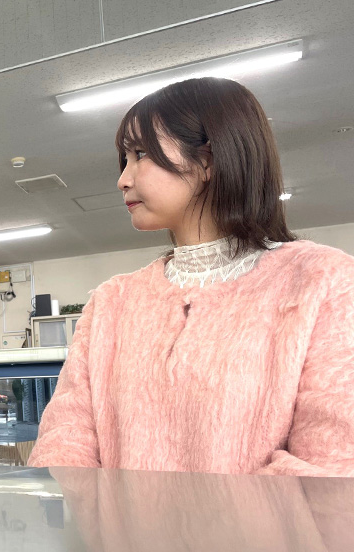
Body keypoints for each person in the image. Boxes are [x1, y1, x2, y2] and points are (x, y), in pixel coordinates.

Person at [29, 77, 354, 476]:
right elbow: (65, 440)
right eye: (125, 159)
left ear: (208, 160)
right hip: (121, 540)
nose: (122, 179)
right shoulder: (111, 302)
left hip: (258, 540)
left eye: (141, 153)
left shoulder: (323, 282)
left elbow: (334, 466)